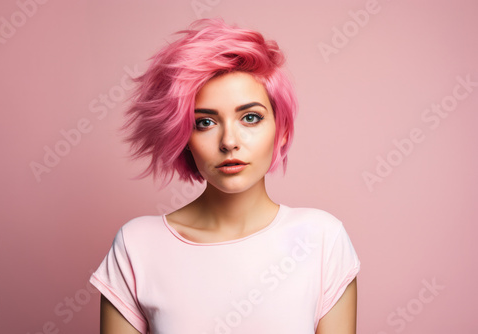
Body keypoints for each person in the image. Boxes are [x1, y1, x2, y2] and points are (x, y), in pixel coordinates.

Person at [89, 18, 360, 334]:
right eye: (204, 122)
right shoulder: (137, 246)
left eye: (250, 117)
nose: (229, 141)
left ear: (282, 130)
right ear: (183, 138)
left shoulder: (322, 240)